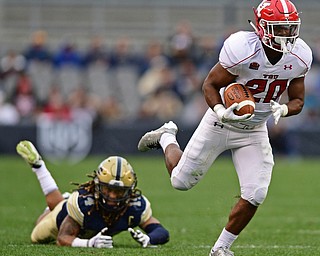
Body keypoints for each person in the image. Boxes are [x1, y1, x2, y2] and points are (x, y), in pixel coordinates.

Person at [137, 0, 312, 255]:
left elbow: (298, 100)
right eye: (280, 28)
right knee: (181, 182)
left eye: (289, 28)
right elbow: (209, 84)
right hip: (221, 122)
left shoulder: (300, 55)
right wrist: (220, 110)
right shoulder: (242, 48)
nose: (286, 34)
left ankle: (221, 249)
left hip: (254, 129)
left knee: (256, 192)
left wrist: (284, 109)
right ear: (262, 27)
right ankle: (166, 137)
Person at [16, 140, 169, 248]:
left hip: (85, 219)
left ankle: (48, 179)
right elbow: (62, 238)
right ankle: (39, 167)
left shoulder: (135, 206)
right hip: (62, 218)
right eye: (108, 189)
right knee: (38, 233)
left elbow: (161, 232)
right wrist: (88, 244)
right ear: (97, 186)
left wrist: (149, 239)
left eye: (119, 191)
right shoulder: (84, 203)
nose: (112, 197)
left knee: (58, 204)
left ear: (130, 191)